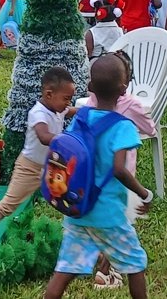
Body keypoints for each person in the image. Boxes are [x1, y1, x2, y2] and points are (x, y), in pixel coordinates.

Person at [43, 56, 154, 299]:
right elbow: (119, 169)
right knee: (135, 264)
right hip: (108, 214)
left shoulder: (80, 118)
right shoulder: (123, 126)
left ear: (90, 87)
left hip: (77, 209)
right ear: (123, 89)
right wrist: (144, 193)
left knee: (65, 269)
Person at [0, 68, 75, 259]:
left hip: (50, 166)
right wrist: (66, 140)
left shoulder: (58, 108)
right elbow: (43, 136)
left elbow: (72, 111)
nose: (69, 103)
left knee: (66, 197)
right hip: (29, 167)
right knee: (9, 204)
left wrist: (91, 111)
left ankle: (75, 235)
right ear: (49, 94)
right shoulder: (38, 113)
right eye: (66, 98)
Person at [83, 52, 156, 289]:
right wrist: (145, 193)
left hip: (92, 177)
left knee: (100, 220)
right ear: (125, 85)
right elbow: (150, 129)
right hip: (123, 179)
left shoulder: (89, 104)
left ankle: (93, 259)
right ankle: (107, 272)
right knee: (122, 225)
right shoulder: (131, 106)